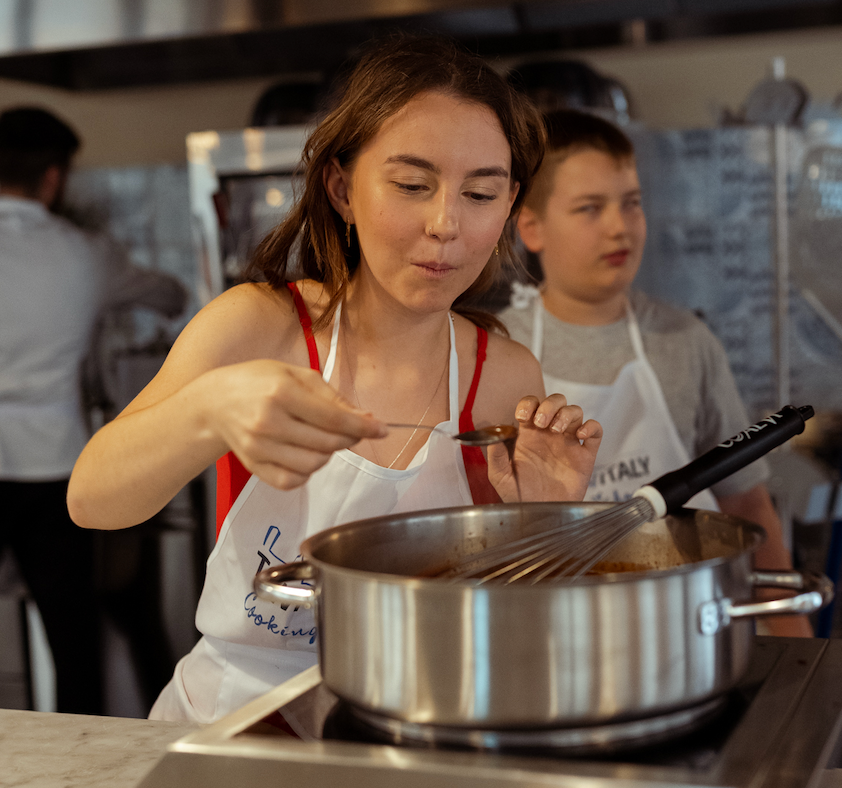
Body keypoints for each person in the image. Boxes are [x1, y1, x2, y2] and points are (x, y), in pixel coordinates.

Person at [67, 36, 602, 723]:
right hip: (234, 722)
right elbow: (93, 501)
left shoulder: (503, 371)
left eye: (480, 193)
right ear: (343, 187)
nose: (446, 224)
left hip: (413, 722)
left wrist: (548, 524)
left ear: (508, 206)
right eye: (412, 185)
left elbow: (505, 620)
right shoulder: (260, 326)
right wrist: (208, 409)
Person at [499, 109, 811, 637]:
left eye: (631, 203)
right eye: (589, 208)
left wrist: (794, 638)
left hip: (695, 624)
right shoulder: (500, 351)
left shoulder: (685, 340)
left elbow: (745, 499)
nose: (619, 226)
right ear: (531, 226)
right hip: (558, 633)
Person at [0, 106, 187, 714]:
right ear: (53, 178)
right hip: (56, 466)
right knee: (71, 632)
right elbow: (170, 294)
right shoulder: (87, 254)